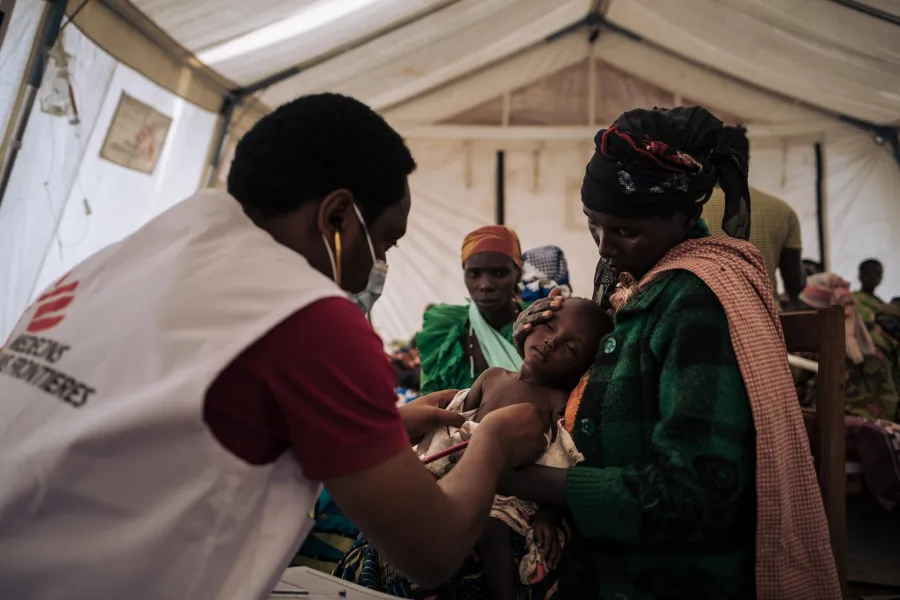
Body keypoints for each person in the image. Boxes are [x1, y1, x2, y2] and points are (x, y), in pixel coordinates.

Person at [0, 93, 549, 599]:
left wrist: (389, 426)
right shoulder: (309, 317)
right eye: (383, 241)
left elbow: (175, 415)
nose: (379, 264)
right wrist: (495, 443)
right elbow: (430, 550)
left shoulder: (117, 261)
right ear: (337, 217)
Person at [507, 107, 840, 599]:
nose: (604, 247)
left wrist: (516, 477)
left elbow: (695, 495)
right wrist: (536, 347)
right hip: (612, 552)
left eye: (624, 231)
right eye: (593, 224)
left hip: (667, 576)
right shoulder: (638, 281)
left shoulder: (696, 302)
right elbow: (599, 381)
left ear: (688, 217)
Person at [336, 299, 611, 599]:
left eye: (570, 348)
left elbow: (559, 458)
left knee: (492, 525)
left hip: (512, 492)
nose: (552, 341)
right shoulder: (492, 377)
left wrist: (547, 516)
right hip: (459, 471)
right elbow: (453, 423)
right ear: (529, 322)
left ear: (580, 369)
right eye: (548, 325)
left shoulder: (557, 400)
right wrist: (430, 466)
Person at [417, 225, 527, 395]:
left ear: (518, 274)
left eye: (499, 273)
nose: (485, 285)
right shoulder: (444, 333)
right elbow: (430, 403)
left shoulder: (539, 325)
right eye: (474, 274)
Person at [703, 126, 805, 308]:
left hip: (706, 316)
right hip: (765, 318)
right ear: (746, 160)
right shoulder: (782, 211)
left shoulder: (691, 209)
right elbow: (795, 285)